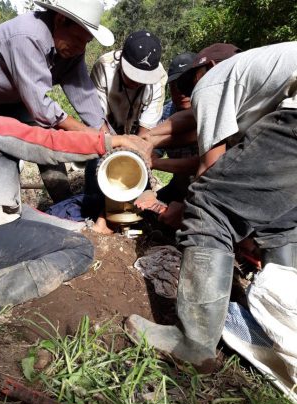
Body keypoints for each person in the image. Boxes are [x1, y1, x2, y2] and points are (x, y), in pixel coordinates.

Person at [126, 41, 297, 373]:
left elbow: (209, 172)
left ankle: (194, 342)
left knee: (209, 205)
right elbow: (191, 129)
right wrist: (152, 148)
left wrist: (187, 212)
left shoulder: (212, 82)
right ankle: (280, 325)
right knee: (282, 223)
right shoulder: (252, 81)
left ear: (200, 71)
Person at [0, 115, 152, 323]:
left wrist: (80, 227)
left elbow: (22, 215)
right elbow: (47, 144)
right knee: (81, 249)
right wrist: (111, 141)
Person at [0, 0, 114, 203]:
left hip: (16, 99)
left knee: (48, 139)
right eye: (76, 38)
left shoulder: (73, 48)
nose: (80, 47)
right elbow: (41, 106)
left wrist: (104, 133)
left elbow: (83, 93)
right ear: (60, 19)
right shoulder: (27, 35)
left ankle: (64, 204)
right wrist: (85, 133)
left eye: (86, 42)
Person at [83, 30, 167, 234]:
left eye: (142, 79)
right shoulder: (104, 68)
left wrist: (138, 155)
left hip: (136, 127)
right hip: (108, 124)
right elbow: (96, 120)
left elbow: (145, 134)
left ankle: (135, 215)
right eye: (133, 76)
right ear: (121, 60)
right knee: (96, 165)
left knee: (138, 169)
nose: (137, 82)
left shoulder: (158, 78)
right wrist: (112, 148)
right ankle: (96, 213)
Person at [134, 52, 199, 229]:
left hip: (205, 190)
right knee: (144, 215)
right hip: (179, 185)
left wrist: (154, 163)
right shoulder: (164, 113)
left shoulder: (210, 110)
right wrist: (147, 190)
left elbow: (198, 164)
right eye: (174, 85)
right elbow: (147, 153)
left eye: (186, 84)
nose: (181, 91)